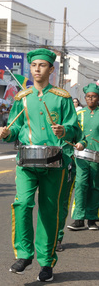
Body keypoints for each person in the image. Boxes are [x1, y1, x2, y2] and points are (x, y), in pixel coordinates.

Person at [0, 48, 81, 282]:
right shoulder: (23, 98)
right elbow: (15, 126)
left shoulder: (62, 98)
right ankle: (24, 255)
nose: (37, 69)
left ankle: (46, 262)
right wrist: (5, 132)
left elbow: (75, 129)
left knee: (49, 212)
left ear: (51, 70)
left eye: (42, 65)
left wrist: (65, 130)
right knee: (22, 203)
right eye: (34, 65)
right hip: (27, 160)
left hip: (55, 162)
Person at [67, 83, 99, 231]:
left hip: (97, 157)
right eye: (88, 97)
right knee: (80, 185)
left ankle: (92, 219)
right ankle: (79, 218)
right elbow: (73, 133)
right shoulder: (79, 114)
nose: (90, 99)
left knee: (94, 186)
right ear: (84, 98)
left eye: (93, 96)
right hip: (81, 156)